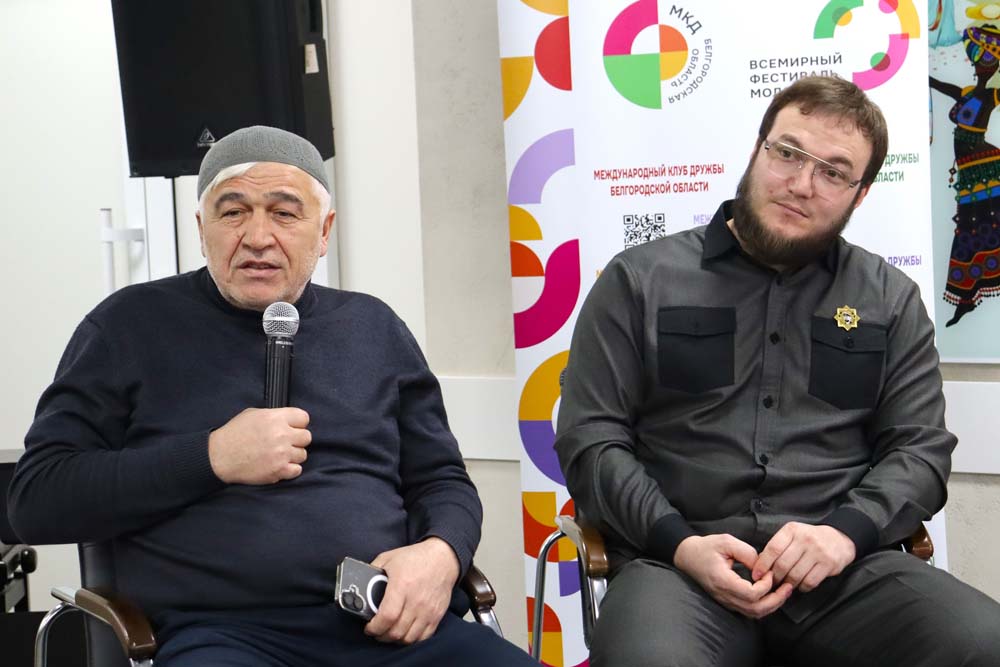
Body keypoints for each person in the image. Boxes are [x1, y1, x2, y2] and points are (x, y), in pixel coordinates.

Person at [7, 126, 535, 666]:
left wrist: (440, 554)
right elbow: (36, 500)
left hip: (387, 627)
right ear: (202, 228)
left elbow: (442, 480)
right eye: (233, 212)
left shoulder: (373, 328)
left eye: (284, 213)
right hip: (219, 637)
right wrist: (211, 457)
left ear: (324, 231)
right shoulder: (127, 327)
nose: (257, 237)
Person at [555, 76, 1000, 667]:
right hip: (677, 570)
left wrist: (843, 534)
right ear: (757, 150)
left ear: (861, 195)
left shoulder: (890, 300)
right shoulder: (639, 280)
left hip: (840, 577)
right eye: (788, 153)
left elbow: (919, 450)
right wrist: (678, 543)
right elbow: (591, 438)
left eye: (834, 172)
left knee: (983, 642)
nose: (802, 183)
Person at [929, 24, 1000, 326]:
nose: (983, 65)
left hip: (985, 167)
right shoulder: (969, 92)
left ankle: (968, 295)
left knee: (980, 227)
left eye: (988, 60)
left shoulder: (992, 95)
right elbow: (938, 85)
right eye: (980, 59)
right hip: (971, 172)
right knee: (971, 229)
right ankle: (967, 296)